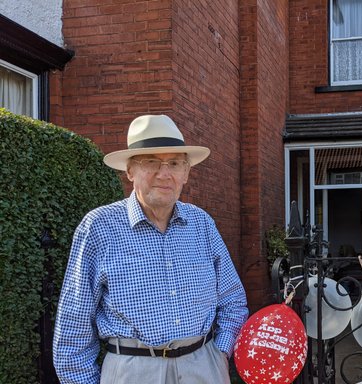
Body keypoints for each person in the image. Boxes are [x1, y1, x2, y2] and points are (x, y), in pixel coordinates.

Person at [53, 115, 249, 384]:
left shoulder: (201, 223)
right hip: (132, 372)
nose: (164, 174)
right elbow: (74, 327)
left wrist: (219, 354)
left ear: (186, 173)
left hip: (203, 367)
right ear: (130, 171)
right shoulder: (99, 227)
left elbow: (233, 299)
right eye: (151, 162)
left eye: (174, 163)